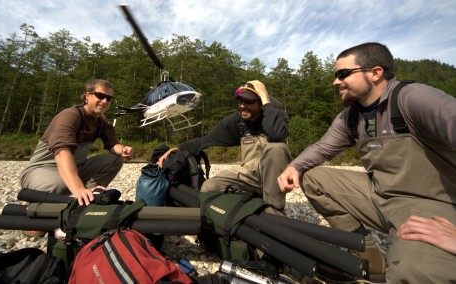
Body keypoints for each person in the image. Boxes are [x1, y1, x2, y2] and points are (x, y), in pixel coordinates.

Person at [277, 42, 456, 282]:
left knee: (410, 273)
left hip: (431, 205)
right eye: (335, 75)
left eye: (343, 74)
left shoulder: (412, 98)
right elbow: (321, 148)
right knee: (313, 179)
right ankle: (368, 255)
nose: (335, 82)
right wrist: (294, 167)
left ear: (375, 73)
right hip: (381, 196)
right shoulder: (351, 117)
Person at [178, 80, 292, 215]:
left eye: (248, 101)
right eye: (240, 101)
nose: (242, 106)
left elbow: (276, 134)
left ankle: (275, 211)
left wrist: (267, 102)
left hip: (275, 177)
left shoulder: (276, 116)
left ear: (261, 102)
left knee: (277, 148)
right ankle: (246, 206)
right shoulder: (238, 121)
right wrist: (178, 150)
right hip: (249, 174)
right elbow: (207, 140)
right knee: (209, 187)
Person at [20, 79, 134, 206]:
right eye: (100, 96)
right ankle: (34, 206)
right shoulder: (70, 115)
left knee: (116, 159)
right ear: (87, 96)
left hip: (76, 168)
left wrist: (123, 150)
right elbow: (62, 152)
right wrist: (78, 189)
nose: (105, 101)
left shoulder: (102, 121)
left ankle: (90, 196)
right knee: (60, 184)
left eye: (109, 98)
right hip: (43, 169)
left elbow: (112, 144)